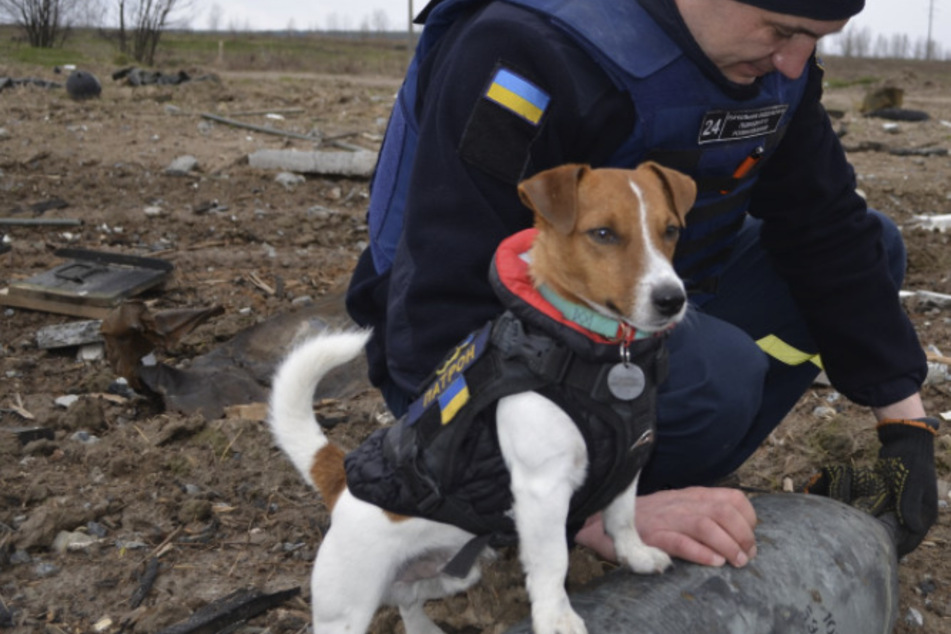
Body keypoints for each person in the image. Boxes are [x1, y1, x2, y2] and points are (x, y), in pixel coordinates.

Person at [345, 0, 939, 568]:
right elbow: (440, 308)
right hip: (458, 360)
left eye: (816, 40)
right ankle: (577, 498)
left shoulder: (778, 67)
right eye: (782, 31)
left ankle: (657, 469)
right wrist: (592, 514)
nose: (793, 62)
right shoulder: (528, 48)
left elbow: (825, 224)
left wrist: (906, 426)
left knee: (873, 248)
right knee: (717, 377)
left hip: (640, 307)